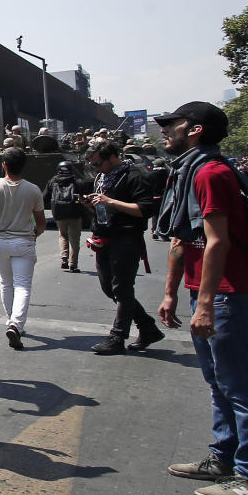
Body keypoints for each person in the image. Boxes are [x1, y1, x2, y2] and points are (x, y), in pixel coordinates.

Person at [155, 101, 248, 495]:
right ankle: (224, 458)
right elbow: (183, 239)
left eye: (171, 124)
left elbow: (217, 240)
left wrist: (205, 302)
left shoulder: (211, 172)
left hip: (227, 295)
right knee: (218, 384)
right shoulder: (189, 170)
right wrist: (173, 291)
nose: (164, 131)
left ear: (194, 129)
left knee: (240, 388)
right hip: (205, 291)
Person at [82, 139, 165, 355]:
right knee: (110, 288)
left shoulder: (134, 175)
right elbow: (103, 207)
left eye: (98, 164)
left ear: (112, 158)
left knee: (122, 288)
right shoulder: (102, 177)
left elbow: (144, 209)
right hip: (104, 236)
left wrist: (110, 202)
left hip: (126, 238)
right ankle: (147, 328)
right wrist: (92, 205)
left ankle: (117, 337)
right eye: (93, 165)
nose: (96, 169)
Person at [0, 148, 46, 350]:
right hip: (24, 241)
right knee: (22, 285)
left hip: (0, 242)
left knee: (6, 283)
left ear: (4, 165)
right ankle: (16, 323)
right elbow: (41, 222)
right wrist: (35, 234)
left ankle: (11, 320)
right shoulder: (33, 190)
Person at [43, 160, 85, 272]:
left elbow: (45, 197)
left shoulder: (53, 181)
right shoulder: (77, 181)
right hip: (75, 213)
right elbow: (84, 197)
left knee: (63, 235)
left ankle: (64, 258)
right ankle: (73, 264)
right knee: (74, 239)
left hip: (59, 213)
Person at [148, 158, 169, 240]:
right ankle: (163, 234)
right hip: (163, 197)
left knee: (155, 215)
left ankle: (154, 231)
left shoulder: (150, 174)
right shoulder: (167, 173)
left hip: (153, 197)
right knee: (164, 215)